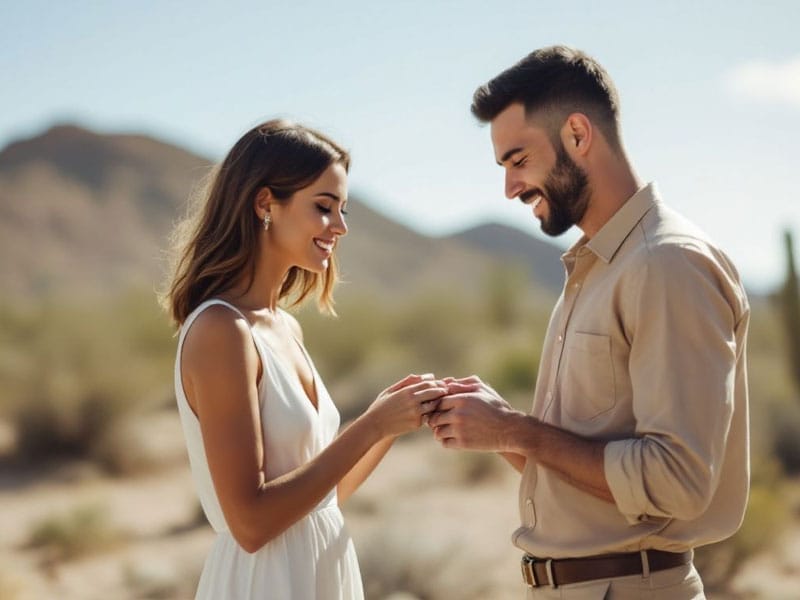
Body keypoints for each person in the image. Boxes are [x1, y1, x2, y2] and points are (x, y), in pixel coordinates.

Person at [428, 46, 750, 599]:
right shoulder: (597, 268)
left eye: (518, 160)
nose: (509, 188)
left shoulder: (667, 263)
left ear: (578, 135)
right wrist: (499, 424)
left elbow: (677, 483)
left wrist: (513, 429)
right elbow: (585, 468)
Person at [163, 119, 447, 599]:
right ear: (264, 203)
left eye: (342, 209)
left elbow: (323, 500)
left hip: (320, 573)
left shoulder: (283, 327)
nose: (340, 226)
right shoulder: (222, 331)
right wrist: (371, 426)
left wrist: (390, 422)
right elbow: (251, 524)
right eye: (324, 207)